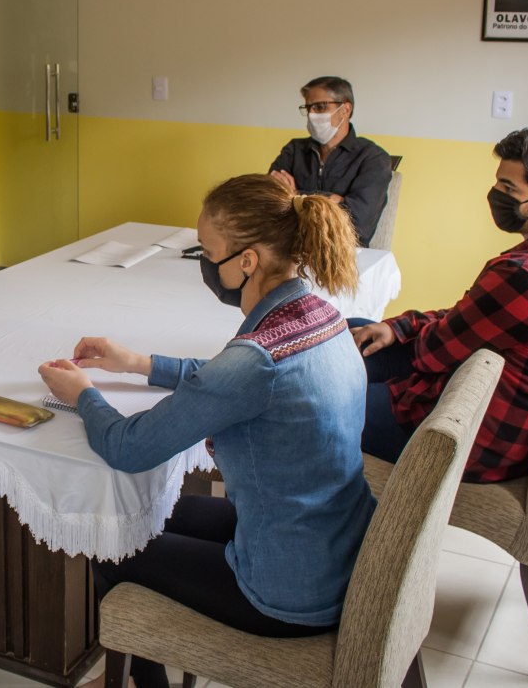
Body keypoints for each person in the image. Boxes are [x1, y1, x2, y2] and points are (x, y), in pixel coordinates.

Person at [39, 174, 375, 688]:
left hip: (286, 591)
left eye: (208, 250)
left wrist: (83, 394)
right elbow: (230, 381)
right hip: (335, 547)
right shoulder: (320, 316)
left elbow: (127, 447)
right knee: (150, 514)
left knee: (110, 538)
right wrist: (136, 362)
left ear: (247, 261)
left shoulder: (256, 361)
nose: (203, 263)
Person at [354, 119, 528, 483]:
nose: (496, 194)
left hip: (464, 435)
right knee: (352, 333)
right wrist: (398, 326)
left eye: (508, 187)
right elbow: (471, 317)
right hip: (496, 416)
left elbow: (432, 354)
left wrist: (398, 339)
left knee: (314, 397)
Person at [268, 76, 392, 247]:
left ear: (345, 109)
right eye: (308, 107)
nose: (311, 115)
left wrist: (295, 193)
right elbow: (269, 202)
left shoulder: (373, 158)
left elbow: (359, 223)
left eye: (320, 107)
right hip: (289, 247)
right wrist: (335, 200)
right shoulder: (294, 149)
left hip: (342, 254)